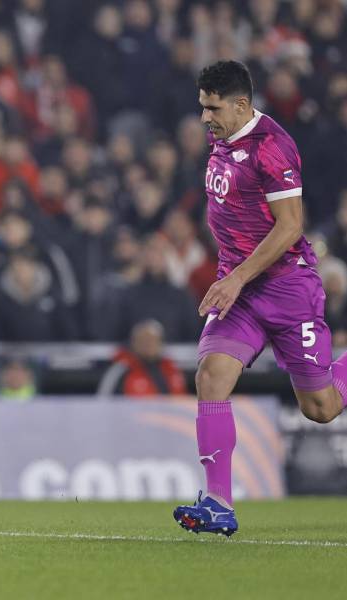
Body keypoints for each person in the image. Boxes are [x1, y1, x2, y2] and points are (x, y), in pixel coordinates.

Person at [173, 61, 347, 537]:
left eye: (213, 108)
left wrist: (236, 277)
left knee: (322, 408)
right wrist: (234, 277)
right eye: (202, 106)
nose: (205, 117)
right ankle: (218, 504)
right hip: (240, 288)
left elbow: (290, 227)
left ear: (241, 104)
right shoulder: (222, 137)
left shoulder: (273, 148)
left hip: (288, 288)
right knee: (211, 376)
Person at [96, 319, 187, 397]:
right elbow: (104, 401)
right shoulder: (121, 371)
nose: (148, 345)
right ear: (133, 343)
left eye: (153, 340)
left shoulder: (172, 370)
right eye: (143, 340)